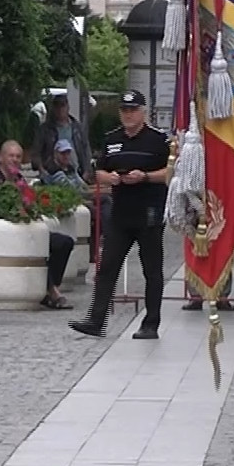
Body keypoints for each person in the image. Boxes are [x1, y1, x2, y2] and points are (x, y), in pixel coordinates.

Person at [70, 88, 172, 340]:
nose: (128, 115)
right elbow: (98, 172)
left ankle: (151, 324)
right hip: (121, 212)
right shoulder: (112, 139)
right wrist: (111, 178)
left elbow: (170, 173)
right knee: (107, 266)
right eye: (124, 110)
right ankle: (96, 320)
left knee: (151, 269)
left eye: (133, 110)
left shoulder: (158, 140)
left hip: (149, 211)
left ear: (143, 112)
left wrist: (145, 176)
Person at [0, 139, 74, 310]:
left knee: (64, 242)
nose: (15, 160)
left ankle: (50, 287)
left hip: (27, 230)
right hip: (7, 234)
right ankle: (52, 292)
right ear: (1, 157)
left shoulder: (19, 179)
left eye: (18, 156)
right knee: (36, 246)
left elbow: (30, 201)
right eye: (11, 156)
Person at [35, 91, 91, 183]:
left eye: (63, 105)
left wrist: (87, 170)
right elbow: (36, 151)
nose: (60, 109)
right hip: (53, 173)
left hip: (77, 173)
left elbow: (86, 149)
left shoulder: (77, 127)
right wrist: (42, 170)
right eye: (57, 106)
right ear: (53, 108)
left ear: (68, 107)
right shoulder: (45, 129)